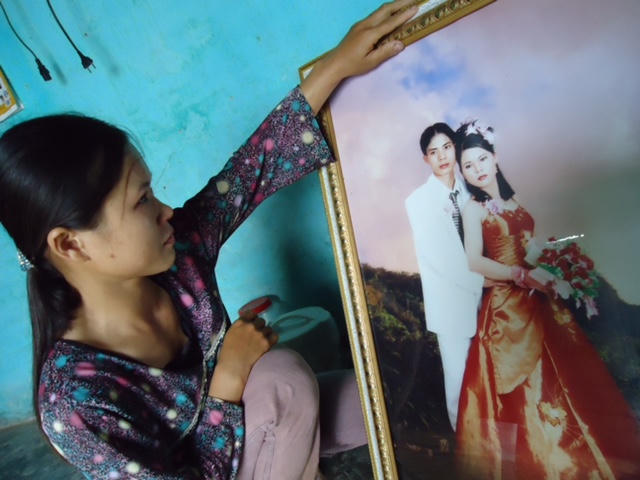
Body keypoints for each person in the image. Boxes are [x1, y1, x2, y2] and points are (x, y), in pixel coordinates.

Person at [0, 2, 420, 479]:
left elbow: (248, 174)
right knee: (281, 379)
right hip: (234, 447)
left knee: (395, 391)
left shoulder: (179, 255)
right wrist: (227, 382)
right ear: (71, 245)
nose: (166, 211)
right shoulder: (73, 402)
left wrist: (336, 65)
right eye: (141, 201)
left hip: (256, 427)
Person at [454, 120, 640, 479]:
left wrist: (552, 268)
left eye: (482, 159)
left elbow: (531, 245)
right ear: (462, 172)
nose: (477, 169)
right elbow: (474, 261)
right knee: (527, 391)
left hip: (538, 300)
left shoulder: (514, 200)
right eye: (468, 165)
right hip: (507, 309)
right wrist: (520, 274)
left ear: (494, 156)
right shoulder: (473, 209)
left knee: (568, 383)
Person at [404, 122, 484, 431]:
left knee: (487, 373)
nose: (442, 157)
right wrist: (484, 282)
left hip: (488, 298)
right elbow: (439, 260)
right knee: (459, 379)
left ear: (455, 148)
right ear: (426, 158)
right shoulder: (417, 201)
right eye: (434, 152)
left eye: (447, 148)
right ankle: (464, 440)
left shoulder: (472, 191)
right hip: (451, 304)